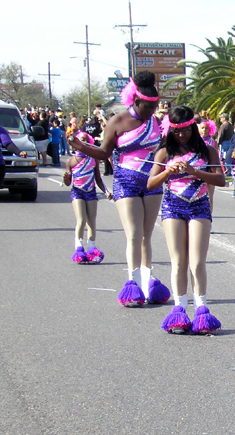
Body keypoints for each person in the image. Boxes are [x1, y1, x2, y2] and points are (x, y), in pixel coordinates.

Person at [67, 70, 171, 308]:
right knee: (133, 235)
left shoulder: (154, 122)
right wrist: (79, 144)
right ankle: (132, 283)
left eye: (155, 107)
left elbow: (163, 149)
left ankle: (147, 282)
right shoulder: (117, 121)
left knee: (147, 236)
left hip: (151, 182)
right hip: (125, 181)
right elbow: (104, 154)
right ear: (135, 101)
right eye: (147, 107)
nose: (151, 112)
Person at [147, 106, 226, 334]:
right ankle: (179, 311)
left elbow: (221, 179)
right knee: (179, 261)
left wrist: (194, 171)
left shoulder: (208, 151)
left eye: (185, 130)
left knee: (197, 262)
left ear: (193, 126)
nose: (181, 135)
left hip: (200, 206)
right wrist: (167, 172)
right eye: (177, 131)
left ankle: (201, 311)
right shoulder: (164, 153)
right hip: (173, 207)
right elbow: (151, 184)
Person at [64, 131, 112, 264]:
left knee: (91, 221)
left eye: (85, 139)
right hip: (77, 192)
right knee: (81, 220)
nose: (83, 141)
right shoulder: (71, 161)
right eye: (80, 139)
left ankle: (91, 247)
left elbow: (98, 178)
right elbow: (68, 183)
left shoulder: (93, 159)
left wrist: (106, 191)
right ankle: (79, 248)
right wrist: (66, 178)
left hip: (91, 192)